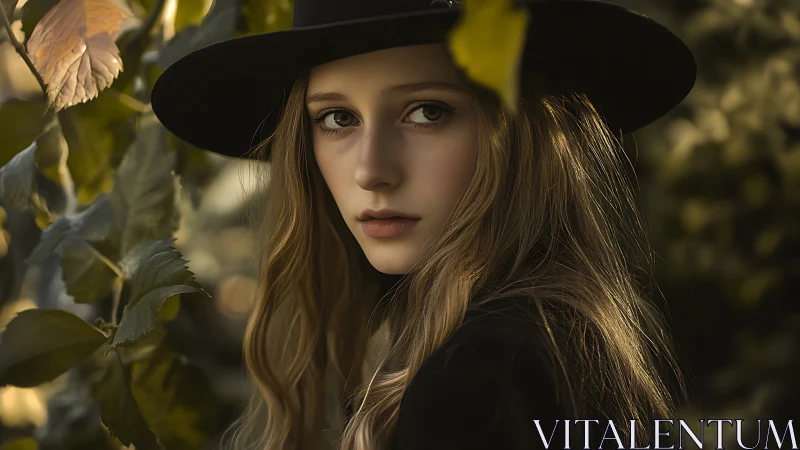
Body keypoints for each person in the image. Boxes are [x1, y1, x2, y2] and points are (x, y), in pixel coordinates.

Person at [151, 0, 697, 448]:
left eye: (428, 111)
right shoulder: (562, 340)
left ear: (525, 133)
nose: (371, 171)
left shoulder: (487, 375)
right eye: (337, 118)